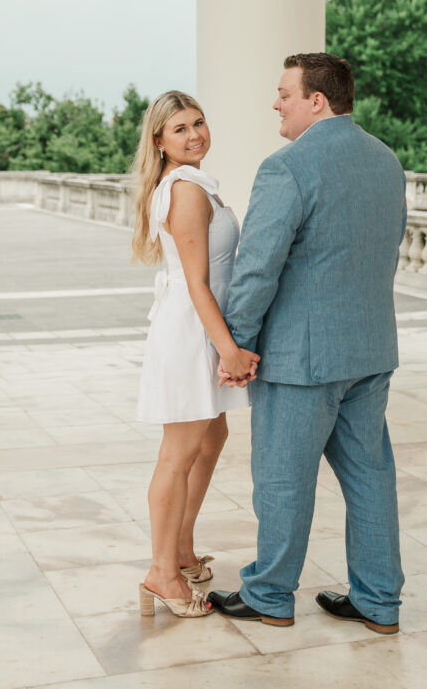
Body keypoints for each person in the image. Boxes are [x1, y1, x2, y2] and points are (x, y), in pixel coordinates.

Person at [208, 53, 407, 633]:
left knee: (281, 481)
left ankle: (269, 594)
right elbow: (384, 247)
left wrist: (237, 344)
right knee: (371, 477)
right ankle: (379, 603)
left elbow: (256, 268)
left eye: (284, 93)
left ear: (316, 100)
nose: (276, 103)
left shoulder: (285, 167)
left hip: (302, 359)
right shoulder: (387, 160)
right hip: (370, 350)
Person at [132, 90, 259, 619]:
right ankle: (161, 573)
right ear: (159, 141)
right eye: (180, 128)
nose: (194, 134)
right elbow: (197, 283)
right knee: (179, 452)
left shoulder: (197, 184)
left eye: (199, 123)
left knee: (212, 437)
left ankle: (181, 548)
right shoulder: (185, 190)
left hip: (203, 326)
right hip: (192, 332)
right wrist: (227, 349)